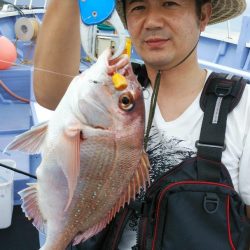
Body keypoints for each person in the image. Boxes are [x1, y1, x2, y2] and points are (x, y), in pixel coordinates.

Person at [33, 0, 250, 249]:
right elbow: (49, 93)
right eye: (138, 7)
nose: (152, 21)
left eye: (169, 4)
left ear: (203, 15)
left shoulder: (244, 108)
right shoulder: (112, 89)